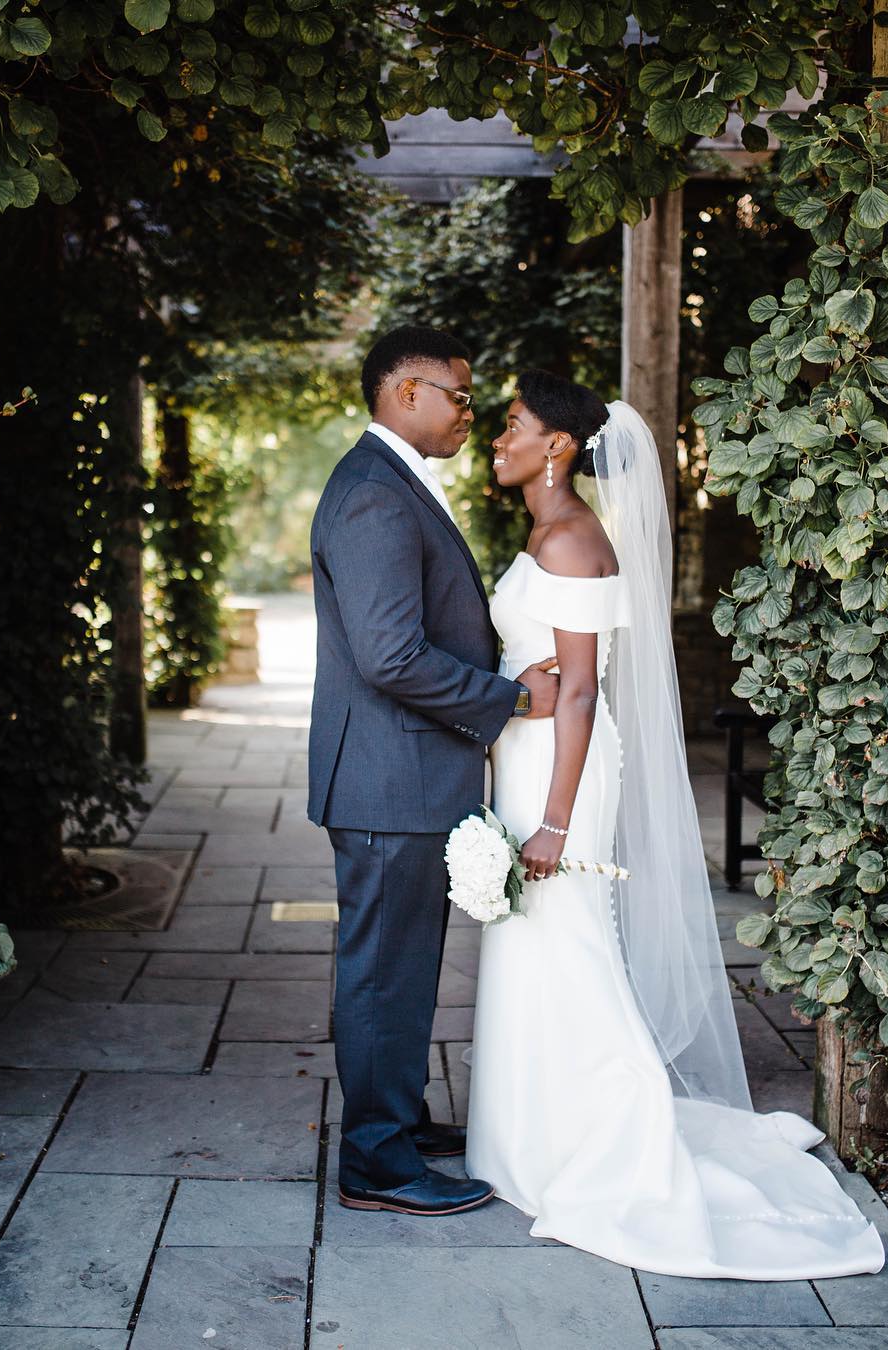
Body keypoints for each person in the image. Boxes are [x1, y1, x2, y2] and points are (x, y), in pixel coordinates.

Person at [466, 368, 885, 1278]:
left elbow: (579, 691)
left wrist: (551, 822)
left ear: (560, 446)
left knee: (566, 939)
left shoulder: (574, 540)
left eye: (512, 425)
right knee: (530, 944)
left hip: (560, 775)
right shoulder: (546, 528)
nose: (499, 439)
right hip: (529, 759)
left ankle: (608, 1140)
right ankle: (533, 1133)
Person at [307, 327, 560, 1216]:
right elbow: (390, 655)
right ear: (406, 392)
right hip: (388, 776)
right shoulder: (376, 493)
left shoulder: (387, 481)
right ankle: (375, 1162)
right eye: (460, 395)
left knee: (403, 966)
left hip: (401, 773)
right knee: (383, 971)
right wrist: (512, 701)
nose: (471, 412)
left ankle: (397, 1123)